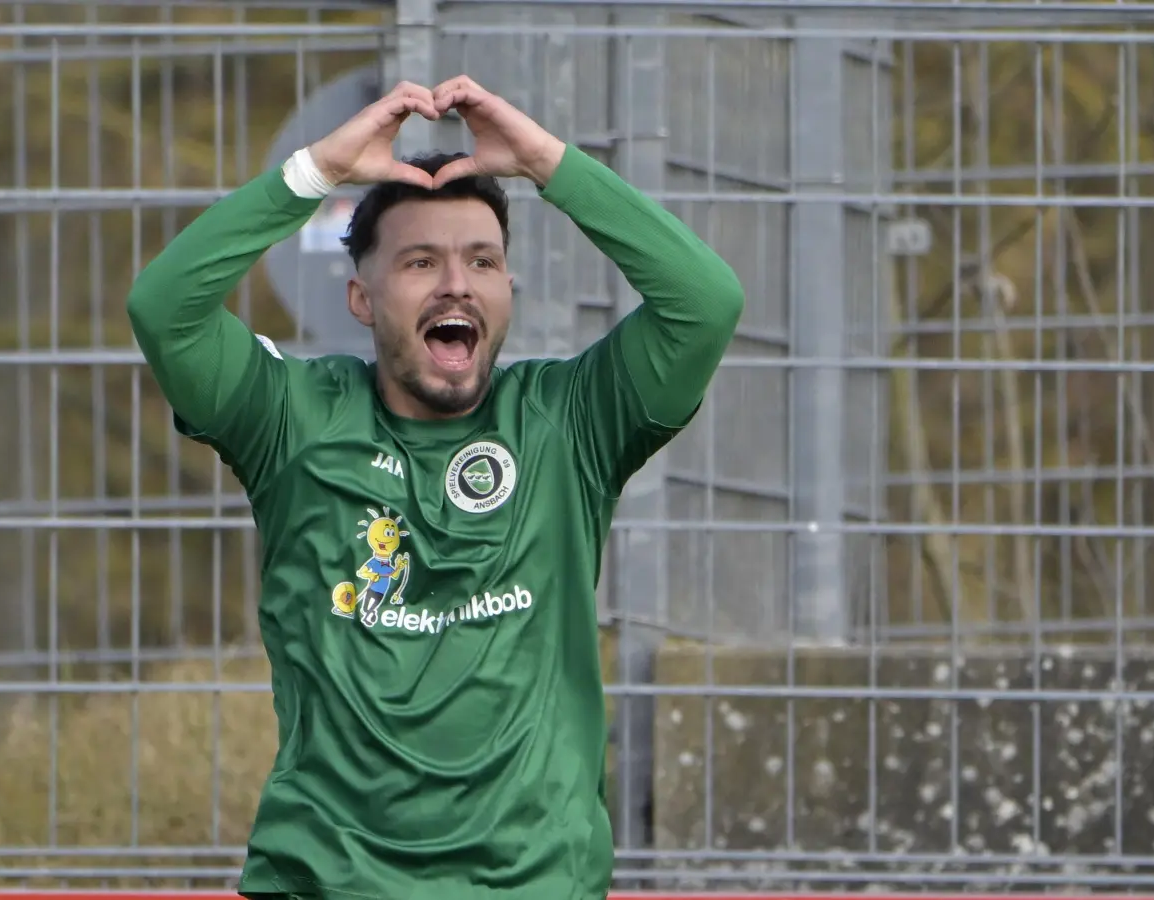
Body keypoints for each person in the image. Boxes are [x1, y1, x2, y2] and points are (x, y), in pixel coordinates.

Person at [127, 75, 744, 900]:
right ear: (361, 298)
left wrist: (544, 162)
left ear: (506, 293)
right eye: (420, 262)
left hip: (535, 886)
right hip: (327, 882)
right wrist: (316, 170)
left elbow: (705, 304)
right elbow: (165, 308)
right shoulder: (293, 419)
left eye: (482, 262)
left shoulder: (568, 422)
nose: (457, 283)